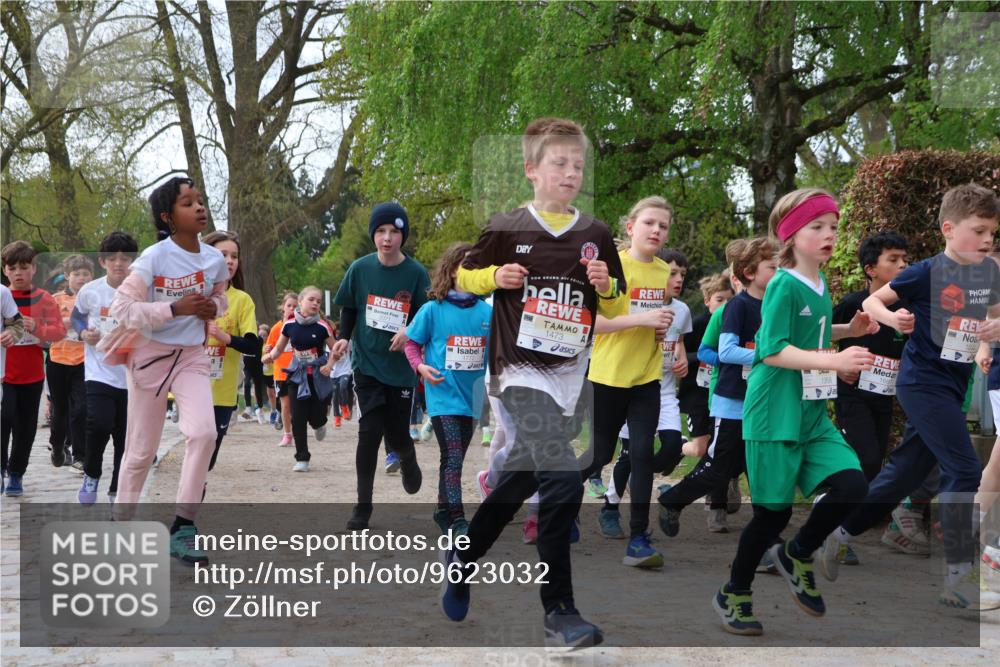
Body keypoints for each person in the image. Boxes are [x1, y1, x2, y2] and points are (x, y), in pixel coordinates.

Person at [439, 116, 626, 648]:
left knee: (522, 475)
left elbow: (617, 302)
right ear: (531, 169)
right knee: (563, 478)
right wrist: (493, 277)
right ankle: (559, 612)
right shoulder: (507, 227)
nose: (570, 173)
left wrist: (604, 283)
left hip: (570, 375)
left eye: (577, 166)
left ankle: (463, 558)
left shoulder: (594, 234)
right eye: (559, 164)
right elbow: (463, 276)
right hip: (517, 371)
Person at [712, 188, 876, 635]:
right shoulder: (783, 283)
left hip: (810, 411)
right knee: (772, 514)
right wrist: (835, 361)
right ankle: (734, 592)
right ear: (790, 236)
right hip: (773, 413)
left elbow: (809, 334)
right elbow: (772, 350)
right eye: (817, 227)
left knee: (852, 483)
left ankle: (797, 553)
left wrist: (846, 330)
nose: (829, 235)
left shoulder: (820, 283)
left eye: (833, 227)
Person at [834, 183, 1000, 611]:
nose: (987, 240)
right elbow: (872, 302)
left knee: (904, 474)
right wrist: (896, 319)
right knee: (964, 468)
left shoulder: (988, 275)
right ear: (949, 229)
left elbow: (996, 319)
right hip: (922, 382)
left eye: (992, 233)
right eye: (979, 230)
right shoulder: (924, 271)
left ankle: (834, 534)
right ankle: (958, 579)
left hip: (953, 385)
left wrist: (990, 336)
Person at [106, 176, 229, 566]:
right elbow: (122, 310)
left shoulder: (212, 259)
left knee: (204, 433)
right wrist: (175, 309)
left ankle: (183, 526)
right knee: (141, 453)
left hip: (192, 355)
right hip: (149, 357)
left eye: (200, 200)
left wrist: (213, 308)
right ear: (168, 216)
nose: (198, 207)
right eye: (187, 203)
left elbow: (220, 298)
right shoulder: (154, 258)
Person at [659, 238, 778, 537]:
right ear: (750, 273)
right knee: (717, 469)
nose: (780, 273)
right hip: (733, 401)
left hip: (763, 399)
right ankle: (672, 500)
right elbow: (724, 352)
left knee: (760, 469)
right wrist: (769, 356)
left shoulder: (777, 305)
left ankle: (766, 531)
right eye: (773, 268)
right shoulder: (737, 306)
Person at [332, 201, 429, 530]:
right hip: (367, 363)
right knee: (369, 432)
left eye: (394, 232)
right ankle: (362, 507)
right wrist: (344, 337)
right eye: (381, 231)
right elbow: (349, 308)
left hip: (400, 368)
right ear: (374, 235)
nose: (387, 238)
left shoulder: (415, 273)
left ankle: (407, 456)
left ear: (403, 236)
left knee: (397, 432)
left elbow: (424, 315)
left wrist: (410, 330)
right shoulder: (360, 269)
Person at [598, 244, 691, 552]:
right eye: (672, 272)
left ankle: (643, 500)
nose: (677, 279)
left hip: (662, 390)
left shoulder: (681, 310)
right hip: (625, 383)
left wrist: (682, 359)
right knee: (623, 454)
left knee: (671, 448)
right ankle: (610, 507)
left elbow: (677, 342)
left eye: (681, 274)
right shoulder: (632, 299)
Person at [829, 232, 909, 565]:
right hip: (852, 395)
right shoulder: (851, 303)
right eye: (893, 259)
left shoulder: (906, 310)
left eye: (905, 259)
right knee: (865, 457)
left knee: (874, 466)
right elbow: (820, 340)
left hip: (883, 397)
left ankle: (837, 526)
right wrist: (836, 369)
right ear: (870, 269)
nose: (903, 265)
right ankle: (832, 524)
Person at [404, 242, 492, 536]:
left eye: (476, 266)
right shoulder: (432, 309)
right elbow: (412, 344)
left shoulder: (486, 312)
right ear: (451, 270)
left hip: (473, 398)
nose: (470, 270)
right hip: (442, 395)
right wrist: (420, 367)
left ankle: (442, 510)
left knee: (455, 457)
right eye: (464, 264)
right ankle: (457, 519)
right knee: (452, 456)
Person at [73, 232, 138, 504]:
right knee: (98, 424)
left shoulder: (143, 291)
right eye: (112, 258)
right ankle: (91, 474)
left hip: (133, 375)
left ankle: (116, 489)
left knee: (126, 437)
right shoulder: (91, 291)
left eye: (125, 258)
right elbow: (77, 317)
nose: (119, 263)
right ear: (102, 262)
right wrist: (82, 333)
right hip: (99, 372)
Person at [1, 240, 66, 497]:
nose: (18, 273)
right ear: (5, 270)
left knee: (25, 428)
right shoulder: (2, 296)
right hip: (4, 374)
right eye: (13, 267)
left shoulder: (45, 299)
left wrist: (36, 328)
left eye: (24, 267)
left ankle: (16, 473)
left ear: (33, 269)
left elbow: (59, 332)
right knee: (2, 421)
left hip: (31, 375)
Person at [201, 231, 259, 484]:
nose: (230, 260)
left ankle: (192, 495)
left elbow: (252, 346)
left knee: (208, 458)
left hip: (223, 392)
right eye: (222, 254)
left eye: (234, 256)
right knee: (197, 445)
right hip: (192, 386)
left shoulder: (242, 300)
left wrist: (225, 338)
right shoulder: (193, 294)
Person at [263, 286, 335, 472]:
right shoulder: (289, 325)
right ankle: (302, 458)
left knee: (316, 415)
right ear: (301, 301)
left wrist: (329, 365)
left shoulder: (322, 327)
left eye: (318, 301)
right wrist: (269, 356)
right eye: (311, 299)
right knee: (298, 416)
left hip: (318, 377)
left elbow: (337, 349)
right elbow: (279, 349)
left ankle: (320, 423)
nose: (315, 303)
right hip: (297, 376)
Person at [48, 254, 94, 470]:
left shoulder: (96, 298)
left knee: (82, 408)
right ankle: (57, 446)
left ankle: (80, 455)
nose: (82, 278)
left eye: (86, 274)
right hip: (58, 359)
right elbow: (44, 329)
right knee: (60, 411)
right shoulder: (56, 299)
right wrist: (63, 323)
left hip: (84, 360)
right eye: (77, 274)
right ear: (67, 276)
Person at [265, 291, 297, 446]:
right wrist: (267, 350)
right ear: (283, 308)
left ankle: (299, 429)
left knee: (297, 405)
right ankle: (287, 434)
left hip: (299, 371)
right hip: (280, 371)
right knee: (285, 404)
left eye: (295, 306)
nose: (291, 309)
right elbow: (268, 347)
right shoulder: (277, 328)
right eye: (289, 305)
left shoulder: (301, 327)